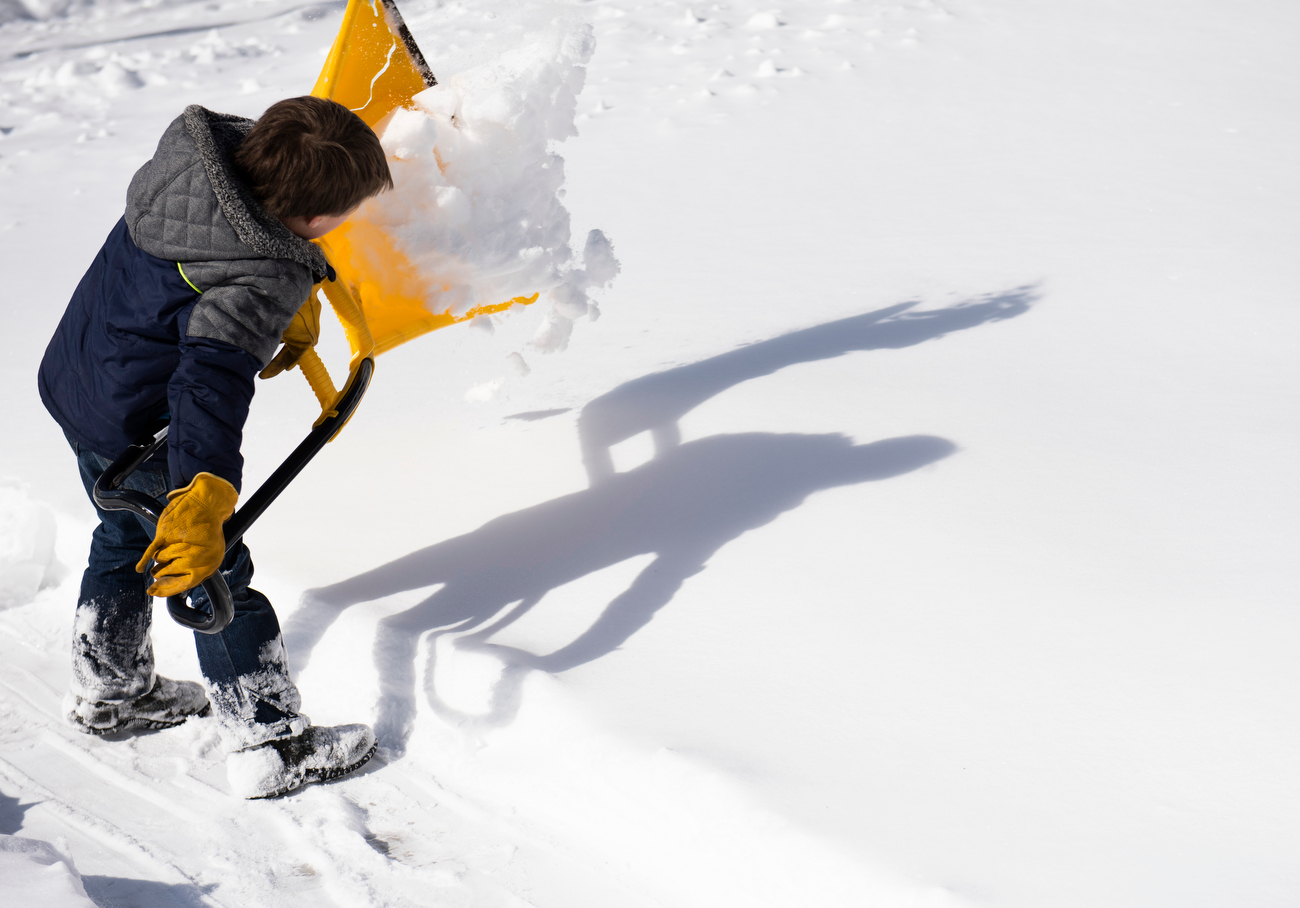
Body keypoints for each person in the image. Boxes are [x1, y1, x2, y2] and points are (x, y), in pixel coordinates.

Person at [37, 96, 393, 799]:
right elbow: (211, 386)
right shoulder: (258, 274)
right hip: (147, 431)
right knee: (215, 566)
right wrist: (203, 491)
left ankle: (111, 692)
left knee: (122, 534)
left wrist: (295, 287)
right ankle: (269, 742)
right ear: (314, 220)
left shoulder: (193, 169)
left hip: (82, 387)